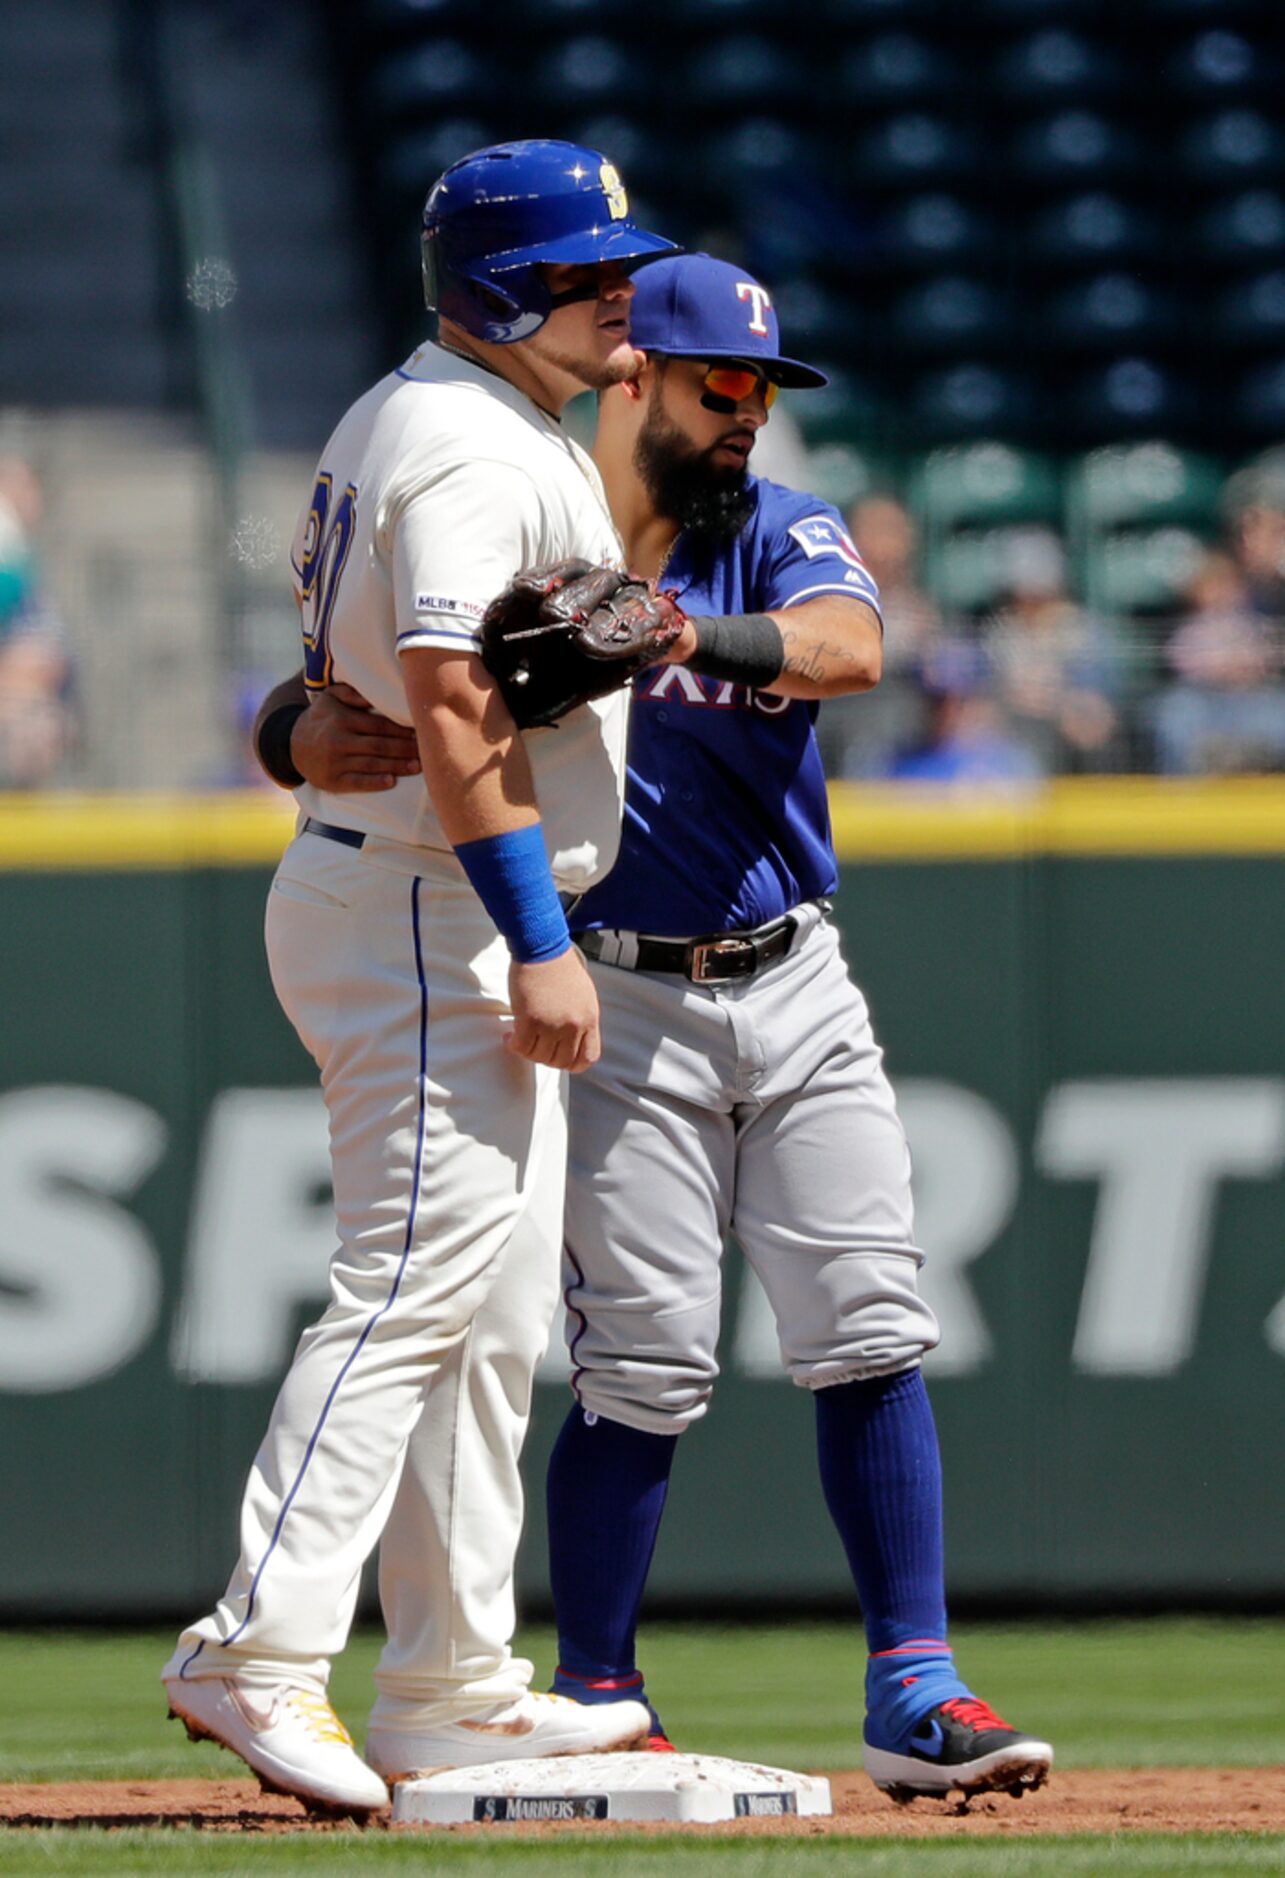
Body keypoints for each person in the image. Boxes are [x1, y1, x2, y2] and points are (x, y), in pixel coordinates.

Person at [279, 252, 1054, 1805]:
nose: (748, 416)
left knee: (871, 1323)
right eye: (722, 385)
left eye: (763, 391)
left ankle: (913, 1682)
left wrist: (680, 635)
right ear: (631, 380)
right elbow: (354, 671)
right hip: (608, 980)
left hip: (792, 970)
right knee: (640, 1360)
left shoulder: (762, 530)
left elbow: (849, 647)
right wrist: (283, 724)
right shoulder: (525, 503)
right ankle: (595, 1688)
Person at [161, 139, 677, 1815]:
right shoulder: (457, 438)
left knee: (492, 1309)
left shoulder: (456, 415)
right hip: (423, 898)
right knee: (403, 1290)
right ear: (501, 289)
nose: (619, 287)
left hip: (410, 879)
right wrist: (536, 935)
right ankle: (255, 1648)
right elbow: (452, 706)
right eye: (587, 267)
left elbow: (375, 677)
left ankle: (452, 1679)